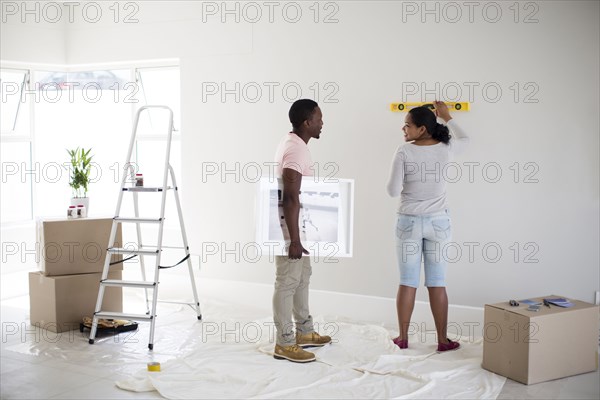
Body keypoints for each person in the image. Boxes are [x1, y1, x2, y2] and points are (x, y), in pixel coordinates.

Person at [386, 101, 469, 352]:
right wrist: (447, 116)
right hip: (439, 223)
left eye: (407, 125)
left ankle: (402, 338)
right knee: (437, 282)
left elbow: (392, 191)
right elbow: (465, 138)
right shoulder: (446, 149)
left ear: (421, 129)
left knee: (407, 282)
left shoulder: (403, 151)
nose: (403, 130)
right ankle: (443, 341)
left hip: (408, 222)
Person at [272, 99, 332, 363]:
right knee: (287, 282)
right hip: (290, 231)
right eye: (319, 118)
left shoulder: (297, 145)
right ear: (307, 122)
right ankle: (284, 343)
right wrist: (294, 241)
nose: (322, 123)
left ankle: (304, 332)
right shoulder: (295, 150)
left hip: (301, 228)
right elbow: (290, 197)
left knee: (303, 276)